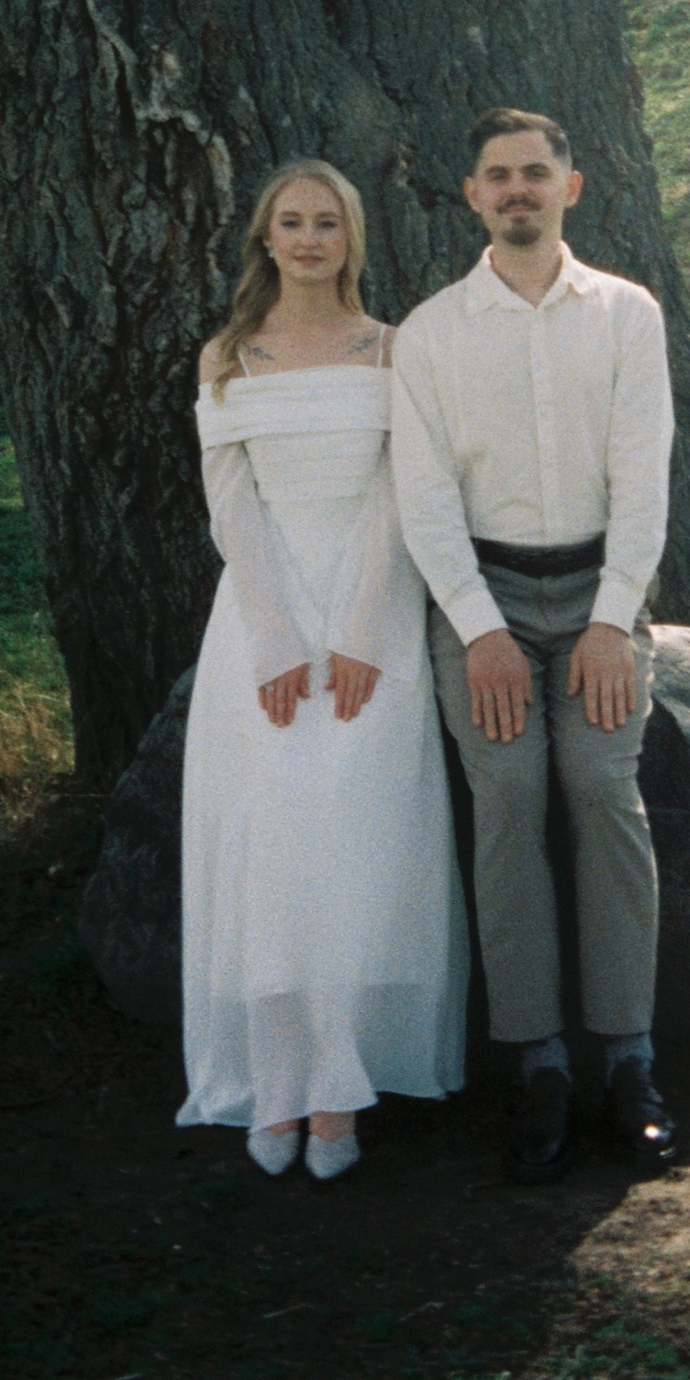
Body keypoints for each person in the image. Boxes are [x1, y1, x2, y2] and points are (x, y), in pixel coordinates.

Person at [391, 108, 678, 1184]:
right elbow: (422, 502)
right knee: (507, 793)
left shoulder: (624, 316)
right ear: (470, 196)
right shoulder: (429, 335)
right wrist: (479, 633)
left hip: (601, 589)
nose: (517, 190)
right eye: (497, 176)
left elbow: (644, 477)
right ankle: (539, 1061)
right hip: (486, 597)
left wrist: (613, 619)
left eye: (535, 172)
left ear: (572, 185)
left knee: (600, 786)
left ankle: (629, 1057)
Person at [178, 159, 468, 1180]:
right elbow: (231, 507)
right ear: (265, 238)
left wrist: (352, 632)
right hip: (258, 625)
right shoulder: (228, 358)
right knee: (271, 848)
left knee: (348, 846)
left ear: (352, 239)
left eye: (327, 225)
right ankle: (276, 1081)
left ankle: (340, 1088)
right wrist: (274, 638)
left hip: (369, 613)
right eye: (291, 223)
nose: (309, 240)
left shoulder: (393, 352)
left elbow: (400, 491)